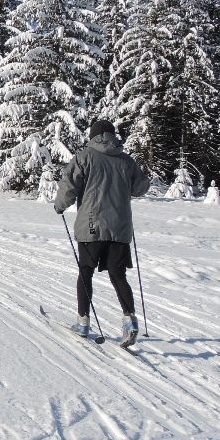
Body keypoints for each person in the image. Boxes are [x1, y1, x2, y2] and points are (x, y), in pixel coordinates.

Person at [53, 119, 151, 344]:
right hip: (119, 228)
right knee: (118, 275)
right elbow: (140, 188)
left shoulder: (84, 157)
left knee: (85, 271)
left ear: (92, 135)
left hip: (91, 226)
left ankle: (83, 323)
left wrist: (59, 206)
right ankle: (130, 321)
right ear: (112, 136)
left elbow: (69, 186)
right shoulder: (126, 160)